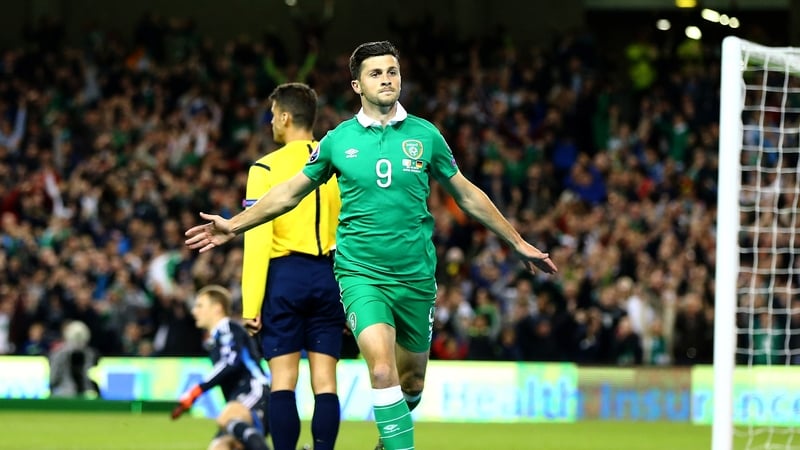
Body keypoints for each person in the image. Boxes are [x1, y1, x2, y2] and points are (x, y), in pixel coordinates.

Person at [185, 41, 558, 450]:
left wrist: (517, 241)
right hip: (361, 274)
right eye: (376, 73)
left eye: (392, 71)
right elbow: (289, 193)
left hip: (416, 276)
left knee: (411, 382)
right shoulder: (337, 141)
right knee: (382, 371)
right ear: (356, 85)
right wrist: (234, 226)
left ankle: (388, 441)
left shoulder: (425, 135)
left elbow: (466, 194)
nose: (386, 79)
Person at [241, 82, 343, 450]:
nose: (270, 122)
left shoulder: (266, 167)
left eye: (272, 115)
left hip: (285, 277)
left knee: (283, 379)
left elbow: (257, 239)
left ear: (285, 117)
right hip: (331, 276)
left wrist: (251, 305)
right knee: (326, 381)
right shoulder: (337, 162)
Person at [171, 285, 271, 450]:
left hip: (254, 391)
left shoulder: (227, 329)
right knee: (219, 446)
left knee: (228, 417)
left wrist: (196, 391)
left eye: (200, 306)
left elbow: (229, 362)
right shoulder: (216, 338)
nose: (194, 311)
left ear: (217, 308)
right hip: (240, 396)